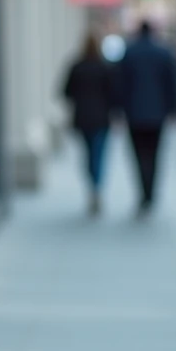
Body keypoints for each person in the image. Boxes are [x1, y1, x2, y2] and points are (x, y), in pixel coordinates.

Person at [119, 20, 176, 214]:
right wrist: (174, 110)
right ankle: (150, 193)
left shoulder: (129, 52)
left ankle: (143, 193)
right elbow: (172, 85)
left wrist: (119, 110)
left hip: (134, 115)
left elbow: (121, 85)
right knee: (154, 155)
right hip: (157, 114)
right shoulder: (163, 53)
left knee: (138, 156)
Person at [62, 33, 120, 216]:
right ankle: (96, 187)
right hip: (101, 119)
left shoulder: (77, 67)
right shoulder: (104, 67)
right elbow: (113, 94)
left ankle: (92, 186)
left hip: (82, 119)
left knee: (88, 154)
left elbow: (65, 92)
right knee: (98, 154)